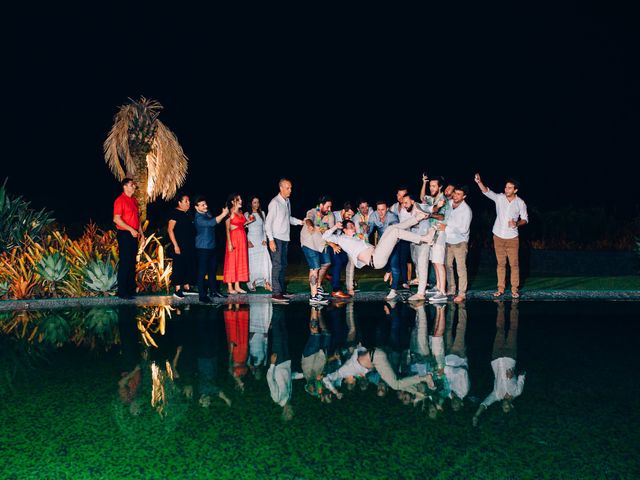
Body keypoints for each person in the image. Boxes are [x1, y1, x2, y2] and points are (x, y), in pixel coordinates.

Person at [322, 212, 434, 273]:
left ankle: (417, 218)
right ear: (344, 230)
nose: (354, 229)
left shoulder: (357, 237)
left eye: (353, 226)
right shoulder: (341, 239)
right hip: (375, 260)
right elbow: (325, 236)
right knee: (394, 232)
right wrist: (335, 227)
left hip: (378, 252)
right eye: (351, 227)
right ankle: (424, 239)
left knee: (391, 229)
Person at [474, 173, 529, 298]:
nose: (506, 189)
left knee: (514, 264)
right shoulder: (499, 198)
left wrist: (517, 223)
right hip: (498, 236)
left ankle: (514, 289)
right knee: (500, 264)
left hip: (512, 238)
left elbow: (525, 219)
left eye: (509, 188)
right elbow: (487, 191)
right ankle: (500, 289)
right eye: (505, 187)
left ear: (515, 190)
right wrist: (479, 182)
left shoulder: (520, 203)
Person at [473, 301, 524, 426]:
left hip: (496, 358)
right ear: (512, 407)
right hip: (510, 357)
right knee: (513, 329)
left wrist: (476, 416)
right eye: (507, 408)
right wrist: (514, 373)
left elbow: (484, 404)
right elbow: (523, 373)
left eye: (503, 408)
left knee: (499, 330)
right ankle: (514, 305)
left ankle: (500, 306)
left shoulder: (496, 395)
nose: (504, 407)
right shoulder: (517, 392)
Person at [265, 179, 304, 303]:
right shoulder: (274, 202)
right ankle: (276, 293)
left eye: (291, 188)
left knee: (283, 264)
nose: (290, 190)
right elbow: (268, 223)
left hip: (285, 238)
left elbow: (288, 218)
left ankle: (281, 290)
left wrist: (300, 222)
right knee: (277, 265)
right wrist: (271, 240)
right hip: (276, 238)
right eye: (288, 188)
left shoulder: (287, 201)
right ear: (281, 188)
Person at [113, 178, 144, 299]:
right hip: (125, 234)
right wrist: (131, 230)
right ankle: (122, 292)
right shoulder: (120, 200)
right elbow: (116, 219)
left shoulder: (134, 200)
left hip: (134, 235)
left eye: (134, 185)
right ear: (125, 187)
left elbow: (137, 219)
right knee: (125, 262)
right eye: (132, 185)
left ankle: (130, 290)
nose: (134, 187)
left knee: (132, 262)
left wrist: (141, 234)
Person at [194, 196, 229, 303]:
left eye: (205, 204)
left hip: (212, 247)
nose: (206, 206)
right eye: (202, 205)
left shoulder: (207, 212)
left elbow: (214, 221)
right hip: (203, 248)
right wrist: (223, 214)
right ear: (196, 207)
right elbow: (211, 223)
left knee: (212, 270)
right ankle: (202, 295)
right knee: (202, 272)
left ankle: (214, 291)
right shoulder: (198, 218)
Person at [301, 197, 334, 305]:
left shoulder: (330, 215)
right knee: (315, 267)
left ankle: (318, 286)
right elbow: (308, 219)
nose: (329, 209)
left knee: (327, 263)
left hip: (321, 243)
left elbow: (331, 229)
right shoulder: (313, 211)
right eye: (327, 206)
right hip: (309, 242)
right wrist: (310, 225)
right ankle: (314, 296)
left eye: (330, 206)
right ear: (321, 205)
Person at [421, 175, 449, 303]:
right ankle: (438, 286)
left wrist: (430, 214)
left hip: (440, 233)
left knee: (439, 263)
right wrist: (424, 183)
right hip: (433, 234)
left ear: (440, 187)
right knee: (435, 262)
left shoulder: (443, 199)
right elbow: (422, 198)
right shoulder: (433, 199)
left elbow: (442, 217)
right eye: (430, 186)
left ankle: (442, 292)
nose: (431, 188)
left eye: (433, 186)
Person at [443, 186, 472, 303]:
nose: (455, 195)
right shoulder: (449, 204)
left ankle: (462, 293)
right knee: (447, 265)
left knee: (461, 268)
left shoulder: (466, 210)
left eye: (459, 194)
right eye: (455, 193)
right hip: (448, 240)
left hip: (460, 242)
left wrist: (447, 227)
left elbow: (464, 229)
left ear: (464, 196)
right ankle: (451, 289)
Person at [368, 200, 401, 299]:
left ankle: (393, 290)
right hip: (382, 244)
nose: (380, 212)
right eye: (378, 210)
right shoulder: (374, 215)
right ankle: (388, 270)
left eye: (383, 210)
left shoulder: (392, 217)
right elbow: (369, 230)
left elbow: (395, 229)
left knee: (395, 265)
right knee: (382, 262)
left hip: (394, 241)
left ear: (387, 209)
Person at [167, 192, 196, 298]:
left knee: (187, 264)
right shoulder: (175, 213)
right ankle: (177, 289)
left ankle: (186, 287)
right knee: (179, 265)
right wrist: (175, 245)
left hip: (189, 245)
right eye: (186, 201)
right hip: (179, 244)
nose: (188, 203)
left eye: (189, 201)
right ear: (179, 202)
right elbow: (170, 230)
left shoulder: (188, 214)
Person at [223, 193, 250, 294]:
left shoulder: (240, 212)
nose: (241, 201)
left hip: (242, 238)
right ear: (232, 202)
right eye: (238, 199)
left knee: (239, 261)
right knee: (232, 261)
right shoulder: (230, 213)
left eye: (240, 199)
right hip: (233, 238)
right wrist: (229, 243)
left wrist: (248, 221)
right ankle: (230, 287)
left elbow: (241, 224)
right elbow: (227, 229)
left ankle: (237, 286)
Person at [245, 197, 272, 292]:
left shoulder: (262, 213)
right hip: (251, 240)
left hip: (261, 241)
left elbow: (265, 228)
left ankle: (266, 282)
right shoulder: (247, 214)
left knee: (264, 262)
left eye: (258, 202)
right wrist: (247, 241)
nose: (256, 204)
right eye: (254, 202)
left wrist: (265, 240)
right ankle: (252, 282)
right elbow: (243, 229)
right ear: (251, 204)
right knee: (252, 263)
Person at [328, 203, 355, 299]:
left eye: (352, 215)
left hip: (339, 243)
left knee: (345, 259)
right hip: (329, 242)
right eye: (348, 215)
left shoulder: (347, 219)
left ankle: (331, 274)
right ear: (343, 211)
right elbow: (325, 232)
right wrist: (333, 245)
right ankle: (336, 290)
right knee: (338, 262)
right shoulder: (333, 216)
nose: (350, 217)